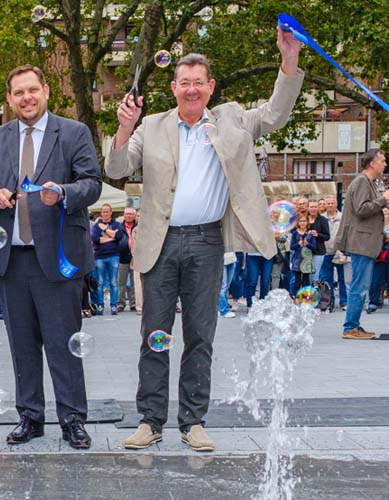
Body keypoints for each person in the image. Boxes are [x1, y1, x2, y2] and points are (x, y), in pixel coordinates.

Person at [105, 27, 304, 452]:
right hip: (159, 242)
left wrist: (289, 62)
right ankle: (150, 421)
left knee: (200, 335)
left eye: (199, 82)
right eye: (184, 82)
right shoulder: (153, 125)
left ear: (210, 87)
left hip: (207, 242)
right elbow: (118, 167)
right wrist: (123, 129)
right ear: (173, 87)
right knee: (153, 334)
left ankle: (193, 421)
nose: (192, 89)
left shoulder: (232, 117)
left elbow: (275, 114)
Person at [0, 64, 101, 450]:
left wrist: (62, 192)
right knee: (22, 344)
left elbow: (91, 183)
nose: (27, 98)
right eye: (19, 93)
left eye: (33, 90)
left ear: (46, 91)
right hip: (11, 258)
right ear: (9, 99)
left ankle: (72, 418)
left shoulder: (74, 132)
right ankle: (30, 417)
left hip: (58, 255)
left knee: (64, 343)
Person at [334, 149, 389, 339]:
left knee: (360, 285)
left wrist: (385, 236)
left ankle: (353, 325)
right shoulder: (362, 182)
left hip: (365, 241)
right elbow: (362, 210)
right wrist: (384, 199)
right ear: (372, 163)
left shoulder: (366, 182)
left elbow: (364, 216)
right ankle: (350, 327)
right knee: (359, 285)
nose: (385, 164)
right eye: (383, 160)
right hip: (361, 243)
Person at [90, 204, 125, 315]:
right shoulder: (96, 226)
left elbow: (119, 236)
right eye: (103, 212)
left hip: (114, 256)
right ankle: (100, 305)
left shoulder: (117, 224)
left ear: (111, 212)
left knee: (114, 282)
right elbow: (95, 239)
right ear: (101, 213)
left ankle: (113, 306)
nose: (105, 213)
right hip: (99, 256)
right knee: (99, 282)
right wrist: (111, 237)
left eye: (107, 211)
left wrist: (105, 229)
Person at [368, 210, 389, 314]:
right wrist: (385, 238)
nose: (383, 216)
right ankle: (373, 303)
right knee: (375, 281)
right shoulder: (373, 226)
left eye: (385, 214)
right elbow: (371, 239)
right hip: (378, 257)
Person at [319, 194, 346, 310]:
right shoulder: (321, 218)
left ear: (336, 204)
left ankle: (344, 302)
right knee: (326, 278)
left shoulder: (343, 217)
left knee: (342, 278)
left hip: (340, 252)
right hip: (325, 252)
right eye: (328, 203)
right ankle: (329, 302)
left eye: (332, 203)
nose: (330, 205)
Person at [116, 208, 138, 313]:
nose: (129, 216)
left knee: (134, 283)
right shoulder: (119, 227)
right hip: (122, 257)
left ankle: (133, 304)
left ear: (134, 215)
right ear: (124, 215)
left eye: (131, 214)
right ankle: (121, 303)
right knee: (121, 282)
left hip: (135, 258)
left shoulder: (138, 226)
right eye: (127, 214)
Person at [289, 215, 317, 291]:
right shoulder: (295, 233)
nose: (302, 223)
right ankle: (296, 297)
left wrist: (308, 244)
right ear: (298, 223)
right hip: (297, 260)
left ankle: (305, 298)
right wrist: (298, 243)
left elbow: (314, 247)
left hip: (307, 260)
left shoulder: (310, 234)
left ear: (307, 222)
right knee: (297, 281)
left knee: (305, 280)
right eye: (300, 221)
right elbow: (292, 247)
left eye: (304, 221)